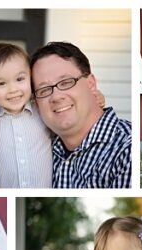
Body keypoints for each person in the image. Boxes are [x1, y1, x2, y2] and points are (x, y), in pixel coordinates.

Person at [31, 41, 131, 188]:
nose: (56, 97)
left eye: (66, 82)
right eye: (44, 90)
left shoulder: (127, 151)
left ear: (91, 84)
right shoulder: (38, 149)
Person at [0, 42, 52, 188]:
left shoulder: (42, 110)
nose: (13, 89)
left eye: (19, 79)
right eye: (1, 84)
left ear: (30, 78)